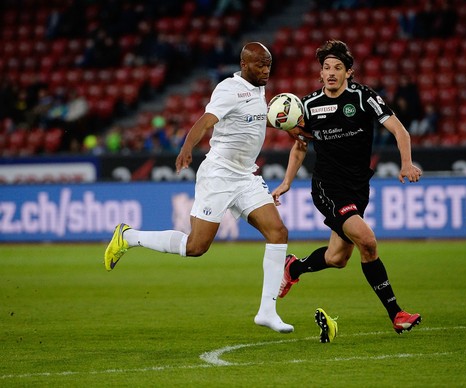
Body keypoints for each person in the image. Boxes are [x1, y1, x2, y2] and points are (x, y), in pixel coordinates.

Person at [104, 42, 308, 334]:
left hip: (245, 177)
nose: (266, 71)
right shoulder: (228, 89)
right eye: (260, 65)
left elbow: (251, 122)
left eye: (269, 66)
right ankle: (129, 236)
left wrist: (290, 128)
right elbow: (206, 121)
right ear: (244, 64)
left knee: (278, 233)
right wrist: (187, 147)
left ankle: (267, 311)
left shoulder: (259, 89)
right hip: (219, 175)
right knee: (196, 247)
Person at [272, 40, 423, 335]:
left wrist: (407, 163)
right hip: (327, 186)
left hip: (357, 187)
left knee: (337, 258)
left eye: (337, 68)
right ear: (320, 74)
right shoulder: (310, 106)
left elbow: (399, 130)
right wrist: (287, 181)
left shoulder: (364, 97)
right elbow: (300, 146)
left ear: (349, 72)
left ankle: (294, 268)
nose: (331, 72)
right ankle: (397, 314)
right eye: (326, 67)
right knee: (367, 241)